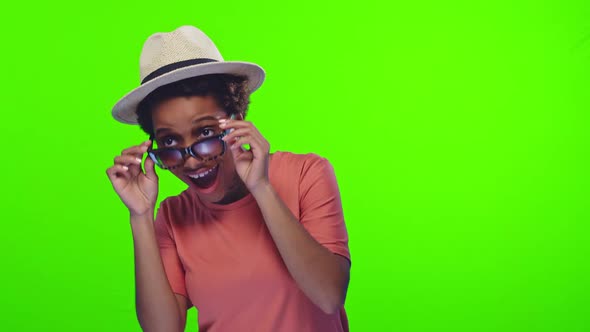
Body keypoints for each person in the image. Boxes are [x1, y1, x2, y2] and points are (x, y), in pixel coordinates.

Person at [106, 25, 351, 332]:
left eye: (206, 133)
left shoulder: (306, 174)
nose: (192, 159)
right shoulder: (172, 218)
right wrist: (140, 216)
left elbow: (328, 295)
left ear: (236, 120)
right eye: (169, 143)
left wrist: (260, 187)